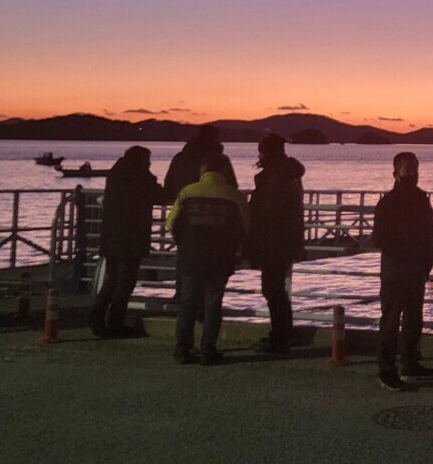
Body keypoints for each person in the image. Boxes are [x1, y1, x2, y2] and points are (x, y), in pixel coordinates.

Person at [167, 151, 248, 366]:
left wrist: (184, 242)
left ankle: (182, 350)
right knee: (213, 304)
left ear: (203, 168)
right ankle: (207, 350)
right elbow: (244, 227)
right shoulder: (235, 196)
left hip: (191, 256)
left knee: (187, 304)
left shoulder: (187, 192)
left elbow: (171, 223)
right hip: (220, 258)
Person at [371, 151, 433, 392]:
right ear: (395, 173)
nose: (412, 173)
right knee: (390, 321)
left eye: (415, 169)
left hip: (415, 270)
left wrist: (427, 260)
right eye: (407, 169)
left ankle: (410, 363)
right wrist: (406, 254)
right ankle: (386, 371)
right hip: (396, 271)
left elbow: (430, 233)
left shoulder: (421, 200)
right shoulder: (388, 203)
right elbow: (379, 238)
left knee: (413, 319)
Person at [91, 146, 161, 337]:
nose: (150, 163)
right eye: (148, 160)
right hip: (131, 237)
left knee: (112, 278)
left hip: (111, 236)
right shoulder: (142, 176)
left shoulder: (116, 174)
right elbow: (159, 195)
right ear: (142, 160)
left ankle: (97, 318)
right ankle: (115, 322)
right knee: (126, 281)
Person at [246, 133, 306, 354]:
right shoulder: (291, 175)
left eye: (261, 151)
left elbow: (265, 212)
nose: (259, 156)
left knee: (272, 289)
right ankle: (284, 333)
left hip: (272, 240)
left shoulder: (272, 177)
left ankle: (280, 336)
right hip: (288, 239)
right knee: (277, 289)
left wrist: (253, 240)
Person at [164, 124, 237, 202]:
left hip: (183, 206)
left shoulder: (179, 158)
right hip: (216, 207)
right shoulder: (221, 160)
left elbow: (169, 185)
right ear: (215, 139)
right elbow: (232, 186)